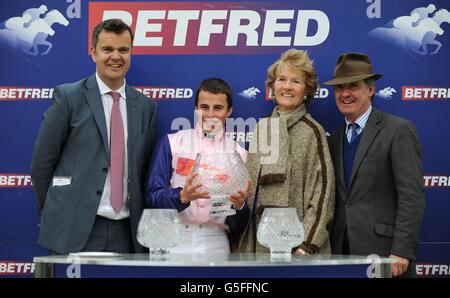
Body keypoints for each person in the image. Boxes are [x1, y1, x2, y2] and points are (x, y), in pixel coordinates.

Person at [31, 19, 157, 254]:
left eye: (123, 50)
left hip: (128, 234)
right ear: (93, 53)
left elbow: (143, 172)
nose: (116, 57)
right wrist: (58, 216)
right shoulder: (69, 97)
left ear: (131, 53)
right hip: (74, 230)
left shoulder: (146, 107)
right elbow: (42, 165)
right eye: (107, 49)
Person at [323, 52, 425, 277]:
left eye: (353, 86)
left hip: (387, 255)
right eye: (339, 88)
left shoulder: (398, 130)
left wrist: (402, 251)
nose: (345, 94)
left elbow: (412, 197)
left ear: (370, 89)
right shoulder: (334, 139)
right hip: (341, 254)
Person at [239, 49, 335, 255]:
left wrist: (306, 244)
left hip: (297, 249)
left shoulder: (313, 132)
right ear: (273, 86)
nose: (287, 87)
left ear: (307, 90)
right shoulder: (263, 128)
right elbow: (250, 194)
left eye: (296, 81)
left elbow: (323, 196)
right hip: (259, 247)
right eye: (282, 79)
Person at [146, 78, 250, 254]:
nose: (210, 114)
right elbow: (152, 196)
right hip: (173, 237)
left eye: (218, 108)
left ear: (229, 110)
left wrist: (240, 207)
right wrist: (181, 197)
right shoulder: (173, 142)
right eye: (204, 107)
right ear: (196, 109)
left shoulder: (240, 153)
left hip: (216, 241)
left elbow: (240, 226)